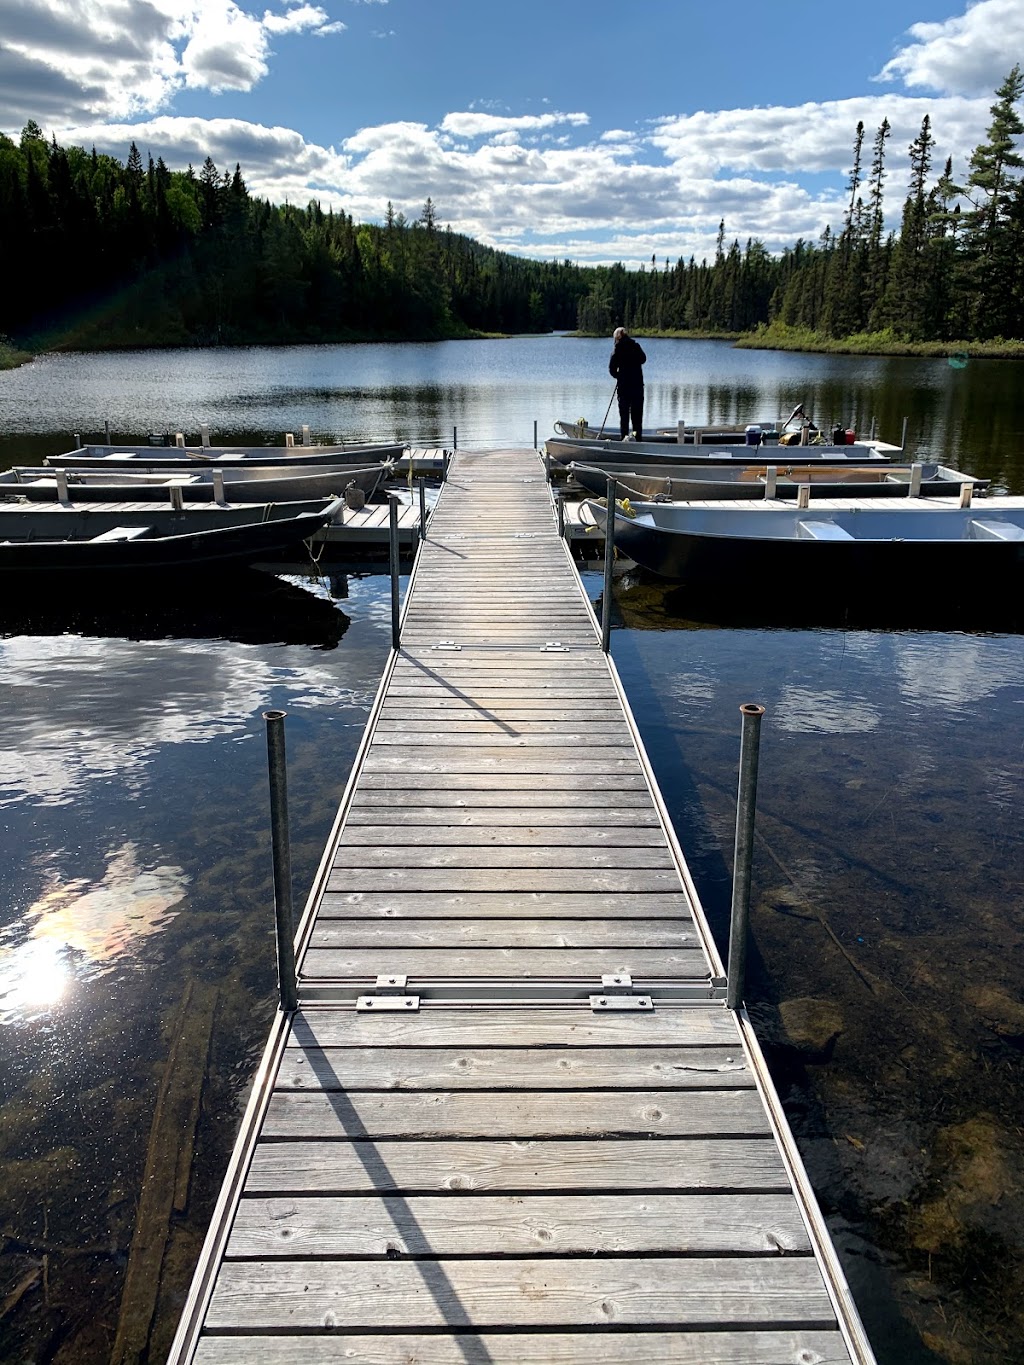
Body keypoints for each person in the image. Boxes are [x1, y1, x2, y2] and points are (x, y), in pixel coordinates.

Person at [608, 327, 646, 440]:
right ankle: (637, 439)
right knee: (637, 417)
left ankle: (624, 439)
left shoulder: (617, 349)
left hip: (624, 388)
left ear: (617, 338)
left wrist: (619, 376)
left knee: (624, 417)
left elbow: (611, 369)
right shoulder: (635, 346)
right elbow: (643, 359)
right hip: (637, 386)